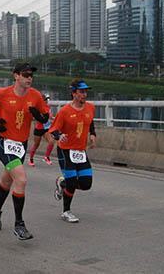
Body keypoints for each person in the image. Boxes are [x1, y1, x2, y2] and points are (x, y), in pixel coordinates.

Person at [0, 63, 50, 240]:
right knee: (21, 179)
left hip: (20, 146)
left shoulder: (36, 96)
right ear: (16, 76)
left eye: (31, 75)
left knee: (6, 181)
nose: (29, 78)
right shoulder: (3, 93)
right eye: (26, 74)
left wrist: (38, 115)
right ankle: (19, 224)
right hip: (4, 143)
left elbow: (45, 117)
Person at [48, 79, 96, 223]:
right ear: (73, 93)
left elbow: (90, 121)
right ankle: (66, 211)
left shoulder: (90, 107)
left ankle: (62, 183)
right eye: (81, 92)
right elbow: (53, 130)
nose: (84, 94)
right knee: (72, 182)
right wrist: (60, 135)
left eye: (86, 92)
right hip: (66, 150)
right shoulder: (64, 111)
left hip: (80, 151)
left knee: (86, 184)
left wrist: (93, 134)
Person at [27, 94, 55, 167]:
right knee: (36, 145)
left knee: (51, 141)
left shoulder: (48, 108)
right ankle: (31, 159)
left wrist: (55, 120)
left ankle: (46, 157)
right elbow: (36, 118)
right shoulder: (38, 108)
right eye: (46, 100)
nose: (47, 101)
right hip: (39, 129)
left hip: (46, 129)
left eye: (47, 100)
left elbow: (50, 117)